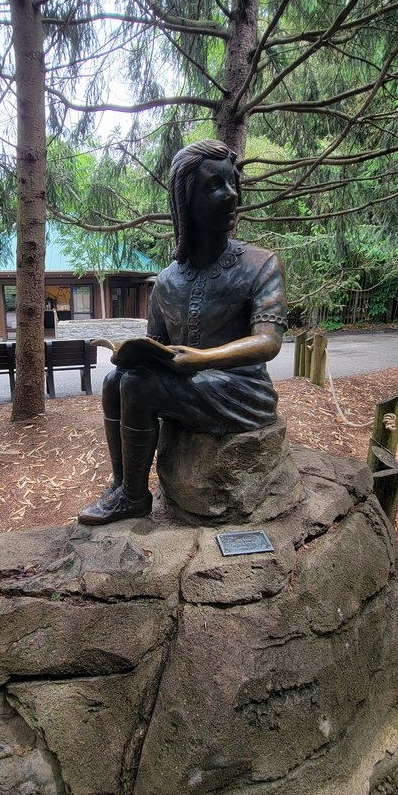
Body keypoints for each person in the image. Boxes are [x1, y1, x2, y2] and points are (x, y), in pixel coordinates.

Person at [78, 139, 287, 525]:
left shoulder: (261, 264)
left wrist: (204, 358)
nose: (231, 196)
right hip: (192, 386)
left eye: (232, 183)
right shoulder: (168, 280)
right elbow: (156, 346)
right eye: (214, 187)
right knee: (115, 380)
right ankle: (123, 485)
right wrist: (134, 353)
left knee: (138, 386)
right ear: (185, 199)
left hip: (242, 390)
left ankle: (134, 497)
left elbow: (268, 341)